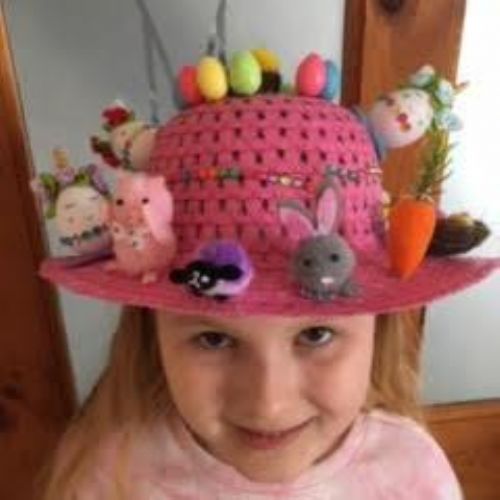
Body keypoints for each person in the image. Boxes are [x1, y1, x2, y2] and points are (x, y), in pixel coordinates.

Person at [36, 51, 500, 499]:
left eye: (316, 334)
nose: (269, 404)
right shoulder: (113, 479)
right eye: (214, 339)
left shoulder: (413, 475)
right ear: (150, 333)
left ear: (379, 329)